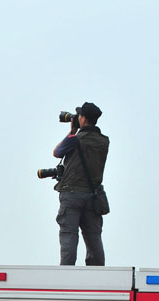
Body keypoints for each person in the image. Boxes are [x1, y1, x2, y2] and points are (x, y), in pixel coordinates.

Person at [52, 101, 109, 266]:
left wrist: (72, 131)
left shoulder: (75, 139)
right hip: (93, 195)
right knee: (93, 236)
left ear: (82, 118)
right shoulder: (104, 141)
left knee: (69, 234)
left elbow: (57, 153)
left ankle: (67, 272)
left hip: (71, 194)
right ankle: (97, 272)